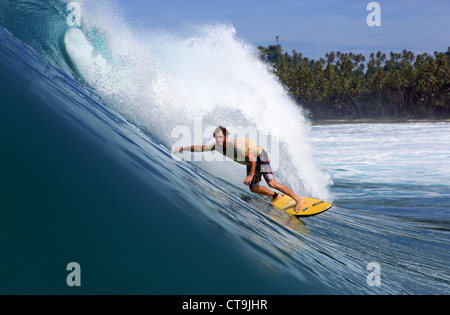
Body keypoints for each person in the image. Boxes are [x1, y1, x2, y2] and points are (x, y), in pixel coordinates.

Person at [173, 126, 306, 212]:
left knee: (271, 182)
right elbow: (201, 148)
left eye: (221, 137)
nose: (219, 139)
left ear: (225, 137)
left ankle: (297, 199)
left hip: (259, 155)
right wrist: (182, 148)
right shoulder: (216, 145)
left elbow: (253, 158)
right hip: (251, 160)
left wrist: (250, 175)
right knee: (254, 188)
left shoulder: (235, 145)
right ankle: (276, 196)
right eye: (217, 137)